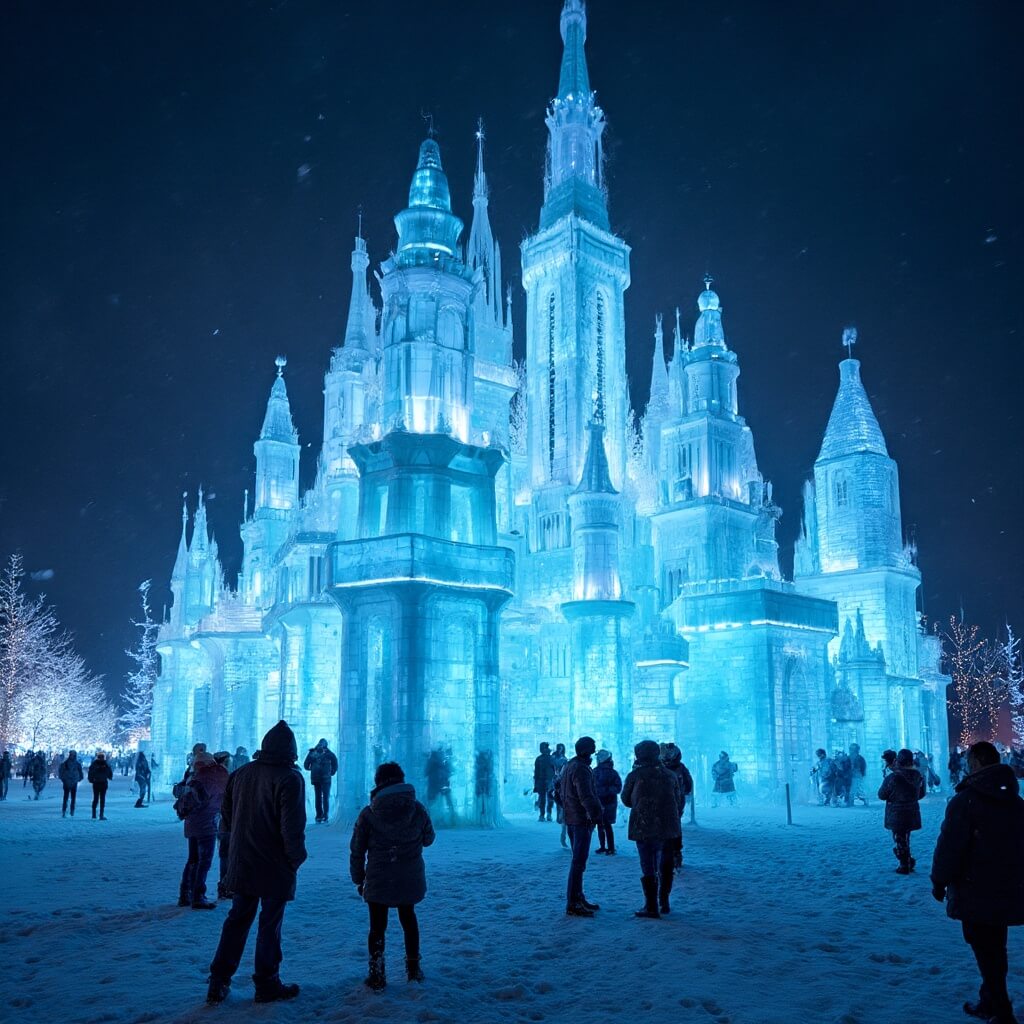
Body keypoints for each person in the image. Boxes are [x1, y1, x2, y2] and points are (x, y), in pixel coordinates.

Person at [206, 720, 307, 1006]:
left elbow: (226, 817)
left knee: (237, 919)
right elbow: (292, 827)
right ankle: (267, 982)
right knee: (270, 924)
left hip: (243, 859)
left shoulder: (241, 773)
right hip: (275, 863)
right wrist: (295, 859)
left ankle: (218, 980)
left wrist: (234, 848)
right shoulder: (289, 778)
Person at [931, 740, 1024, 1024]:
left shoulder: (966, 801)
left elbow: (950, 846)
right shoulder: (1015, 800)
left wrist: (939, 880)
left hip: (975, 886)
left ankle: (1001, 1010)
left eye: (970, 760)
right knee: (995, 945)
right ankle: (990, 1000)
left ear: (977, 762)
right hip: (1006, 884)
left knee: (984, 947)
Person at [350, 761, 436, 991]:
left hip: (379, 878)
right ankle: (413, 969)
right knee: (409, 920)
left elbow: (357, 849)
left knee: (377, 927)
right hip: (409, 877)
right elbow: (429, 839)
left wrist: (358, 878)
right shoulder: (417, 809)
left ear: (379, 782)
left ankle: (377, 974)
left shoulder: (369, 813)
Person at [621, 740, 682, 918]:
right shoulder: (670, 775)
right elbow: (678, 800)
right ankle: (664, 901)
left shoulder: (635, 775)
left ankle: (651, 905)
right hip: (668, 826)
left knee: (648, 864)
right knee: (666, 864)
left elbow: (626, 799)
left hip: (644, 825)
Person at [177, 750, 229, 910]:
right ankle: (198, 896)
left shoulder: (193, 777)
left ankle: (185, 894)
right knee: (204, 860)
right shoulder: (214, 776)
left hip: (191, 823)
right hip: (207, 823)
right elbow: (220, 796)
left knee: (193, 859)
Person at [559, 736, 603, 917]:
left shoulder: (570, 765)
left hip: (572, 818)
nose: (593, 753)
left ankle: (577, 896)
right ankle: (573, 902)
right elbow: (586, 796)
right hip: (581, 819)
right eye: (592, 750)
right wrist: (596, 815)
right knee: (578, 862)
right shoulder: (581, 769)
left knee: (578, 861)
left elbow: (559, 791)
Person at [877, 748, 925, 874]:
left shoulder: (893, 777)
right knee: (905, 837)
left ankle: (904, 864)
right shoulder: (918, 775)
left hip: (897, 813)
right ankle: (908, 860)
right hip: (912, 811)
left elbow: (881, 795)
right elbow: (921, 794)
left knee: (899, 838)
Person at [660, 743, 693, 871]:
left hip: (668, 802)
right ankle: (675, 853)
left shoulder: (659, 767)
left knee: (665, 827)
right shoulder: (680, 767)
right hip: (676, 802)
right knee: (675, 827)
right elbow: (688, 784)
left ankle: (669, 853)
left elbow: (688, 784)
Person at [593, 749, 622, 855]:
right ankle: (609, 847)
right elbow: (618, 787)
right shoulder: (612, 772)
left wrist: (601, 791)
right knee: (604, 825)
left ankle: (607, 847)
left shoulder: (595, 771)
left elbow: (617, 788)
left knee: (603, 825)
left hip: (603, 802)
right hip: (609, 802)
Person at [303, 738, 338, 825]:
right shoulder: (329, 754)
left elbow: (306, 765)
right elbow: (335, 763)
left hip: (316, 778)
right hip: (326, 778)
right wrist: (332, 772)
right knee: (325, 797)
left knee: (318, 797)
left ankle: (319, 816)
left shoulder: (312, 753)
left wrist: (311, 769)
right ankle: (325, 816)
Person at [551, 742, 569, 848]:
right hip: (563, 797)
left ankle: (565, 838)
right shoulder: (554, 758)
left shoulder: (564, 759)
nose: (560, 749)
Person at [533, 742, 555, 822]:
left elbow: (555, 770)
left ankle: (548, 814)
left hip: (549, 780)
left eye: (543, 747)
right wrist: (536, 783)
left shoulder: (551, 758)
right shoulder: (539, 759)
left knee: (550, 798)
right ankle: (542, 814)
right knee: (542, 798)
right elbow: (536, 771)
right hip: (541, 780)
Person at [59, 750, 84, 817]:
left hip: (71, 782)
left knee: (70, 798)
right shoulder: (66, 764)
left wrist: (78, 778)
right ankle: (66, 811)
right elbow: (61, 772)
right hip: (69, 782)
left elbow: (80, 773)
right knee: (67, 797)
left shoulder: (68, 763)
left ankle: (70, 811)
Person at [88, 751, 113, 819]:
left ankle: (95, 814)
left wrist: (91, 779)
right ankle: (99, 814)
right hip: (101, 782)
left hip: (99, 782)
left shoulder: (95, 764)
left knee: (97, 799)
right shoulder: (105, 764)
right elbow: (109, 773)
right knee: (100, 799)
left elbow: (90, 773)